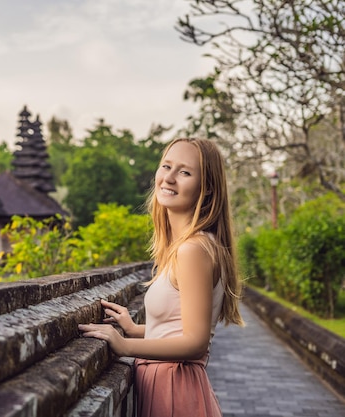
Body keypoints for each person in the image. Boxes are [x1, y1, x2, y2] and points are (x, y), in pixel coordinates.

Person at [78, 138, 245, 417]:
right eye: (166, 166)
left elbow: (195, 342)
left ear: (208, 188)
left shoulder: (194, 249)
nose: (168, 177)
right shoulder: (192, 246)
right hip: (170, 384)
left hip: (174, 388)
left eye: (184, 172)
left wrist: (125, 345)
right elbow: (178, 328)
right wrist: (135, 329)